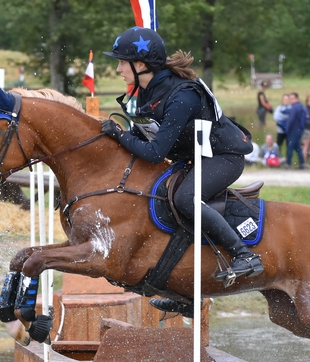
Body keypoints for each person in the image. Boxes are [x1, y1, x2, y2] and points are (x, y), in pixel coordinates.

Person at [100, 27, 263, 314]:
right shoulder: (150, 89)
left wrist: (119, 134)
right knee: (158, 198)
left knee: (186, 199)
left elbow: (154, 153)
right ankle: (186, 291)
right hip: (194, 157)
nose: (118, 69)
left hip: (225, 158)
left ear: (140, 65)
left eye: (122, 62)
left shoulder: (181, 95)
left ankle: (244, 255)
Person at [285, 92, 308, 169]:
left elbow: (291, 120)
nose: (290, 100)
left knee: (290, 147)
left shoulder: (295, 108)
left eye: (291, 98)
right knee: (297, 147)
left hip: (293, 130)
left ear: (296, 98)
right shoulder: (301, 106)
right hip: (299, 130)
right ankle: (302, 163)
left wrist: (287, 129)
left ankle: (288, 164)